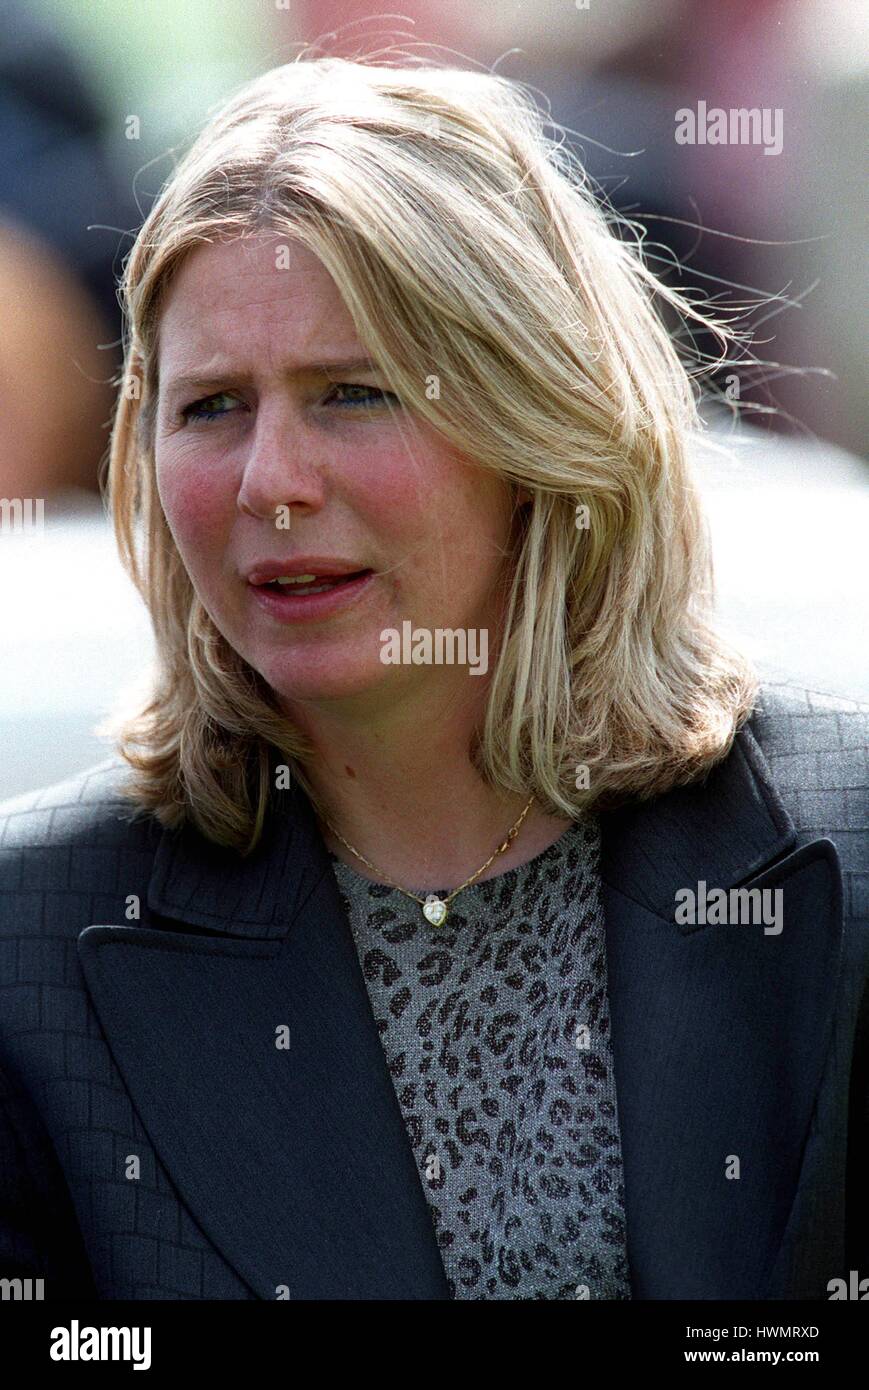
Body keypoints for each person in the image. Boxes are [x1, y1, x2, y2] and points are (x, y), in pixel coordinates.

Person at [0, 55, 866, 1301]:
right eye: (211, 408)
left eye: (352, 394)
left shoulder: (838, 854)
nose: (271, 482)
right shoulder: (34, 950)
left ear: (539, 420)